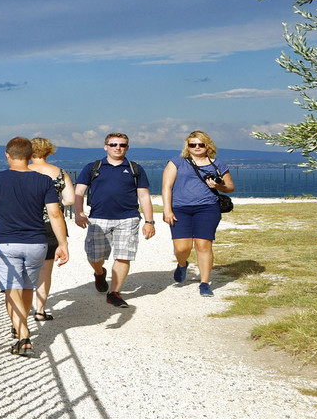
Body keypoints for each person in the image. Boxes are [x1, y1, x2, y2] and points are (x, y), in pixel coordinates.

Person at [0, 137, 69, 356]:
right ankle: (19, 327)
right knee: (26, 287)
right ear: (30, 155)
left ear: (7, 155)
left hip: (7, 244)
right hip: (37, 243)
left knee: (12, 288)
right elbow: (55, 214)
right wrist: (62, 244)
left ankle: (23, 333)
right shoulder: (44, 181)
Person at [74, 132, 154, 308]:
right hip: (98, 219)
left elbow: (144, 196)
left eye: (122, 145)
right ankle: (99, 272)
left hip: (128, 218)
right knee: (94, 256)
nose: (118, 148)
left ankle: (114, 292)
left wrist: (149, 221)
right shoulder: (93, 167)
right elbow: (79, 192)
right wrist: (79, 212)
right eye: (113, 144)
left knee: (124, 255)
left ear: (127, 147)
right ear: (106, 147)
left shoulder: (135, 169)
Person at [160, 130, 234, 298]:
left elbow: (230, 187)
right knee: (182, 247)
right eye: (193, 144)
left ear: (208, 145)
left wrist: (218, 187)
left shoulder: (218, 165)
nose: (197, 147)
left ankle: (204, 283)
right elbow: (167, 187)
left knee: (203, 245)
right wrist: (167, 209)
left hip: (207, 208)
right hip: (180, 208)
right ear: (188, 146)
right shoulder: (176, 162)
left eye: (201, 144)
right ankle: (182, 264)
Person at [27, 137, 75, 321]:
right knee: (45, 270)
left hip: (26, 224)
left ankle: (19, 315)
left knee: (23, 271)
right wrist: (57, 205)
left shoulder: (22, 171)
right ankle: (40, 310)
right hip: (50, 226)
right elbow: (70, 199)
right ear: (49, 151)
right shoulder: (59, 173)